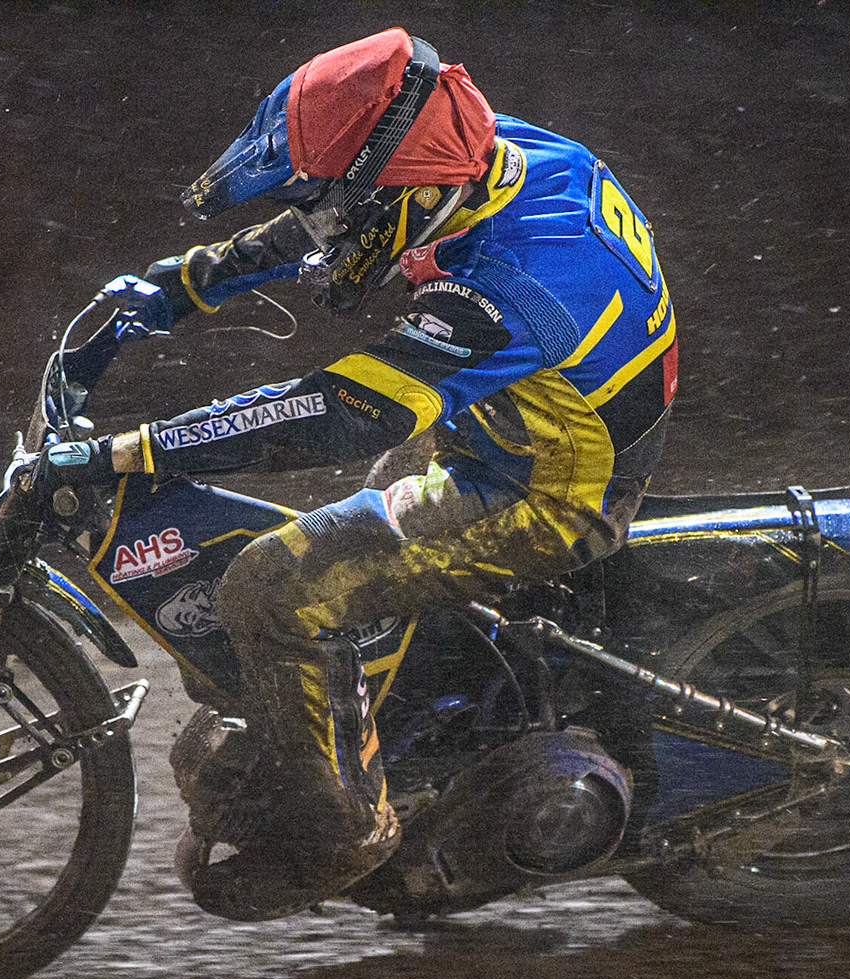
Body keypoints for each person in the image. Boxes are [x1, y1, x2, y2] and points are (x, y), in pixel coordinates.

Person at [45, 28, 672, 920]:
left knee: (272, 585)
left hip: (548, 491)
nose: (325, 223)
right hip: (522, 421)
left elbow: (335, 410)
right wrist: (185, 283)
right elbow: (332, 209)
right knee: (347, 535)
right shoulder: (488, 146)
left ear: (407, 191)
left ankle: (343, 831)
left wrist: (132, 450)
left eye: (340, 206)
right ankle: (398, 729)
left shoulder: (510, 286)